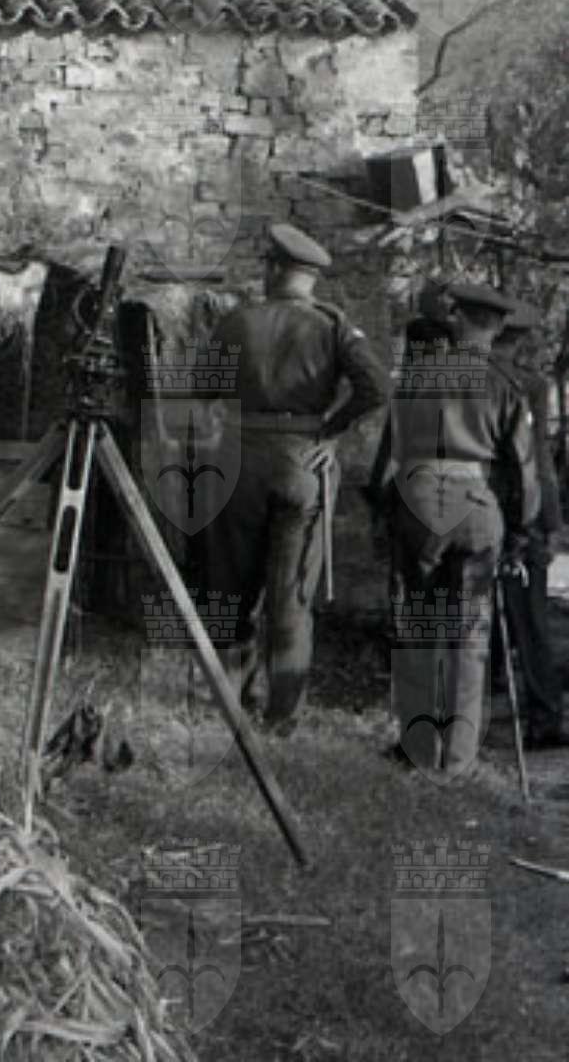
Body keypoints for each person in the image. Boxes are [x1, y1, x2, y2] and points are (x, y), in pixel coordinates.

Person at [199, 222, 390, 729]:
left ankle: (230, 705)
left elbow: (201, 389)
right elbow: (376, 386)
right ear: (311, 278)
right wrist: (331, 432)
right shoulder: (331, 325)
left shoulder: (237, 321)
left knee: (230, 589)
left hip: (237, 460)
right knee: (292, 596)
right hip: (301, 461)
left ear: (273, 269)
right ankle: (281, 717)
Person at [373, 279, 541, 776]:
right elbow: (524, 471)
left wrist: (386, 514)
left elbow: (385, 461)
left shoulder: (417, 376)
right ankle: (459, 759)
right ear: (497, 328)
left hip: (418, 500)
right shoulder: (506, 384)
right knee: (469, 634)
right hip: (476, 505)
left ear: (459, 319)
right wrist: (521, 534)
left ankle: (420, 750)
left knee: (420, 627)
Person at [492, 303, 567, 750]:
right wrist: (550, 519)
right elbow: (536, 461)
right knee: (530, 618)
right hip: (523, 511)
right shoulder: (528, 385)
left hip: (474, 508)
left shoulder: (458, 378)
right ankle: (544, 715)